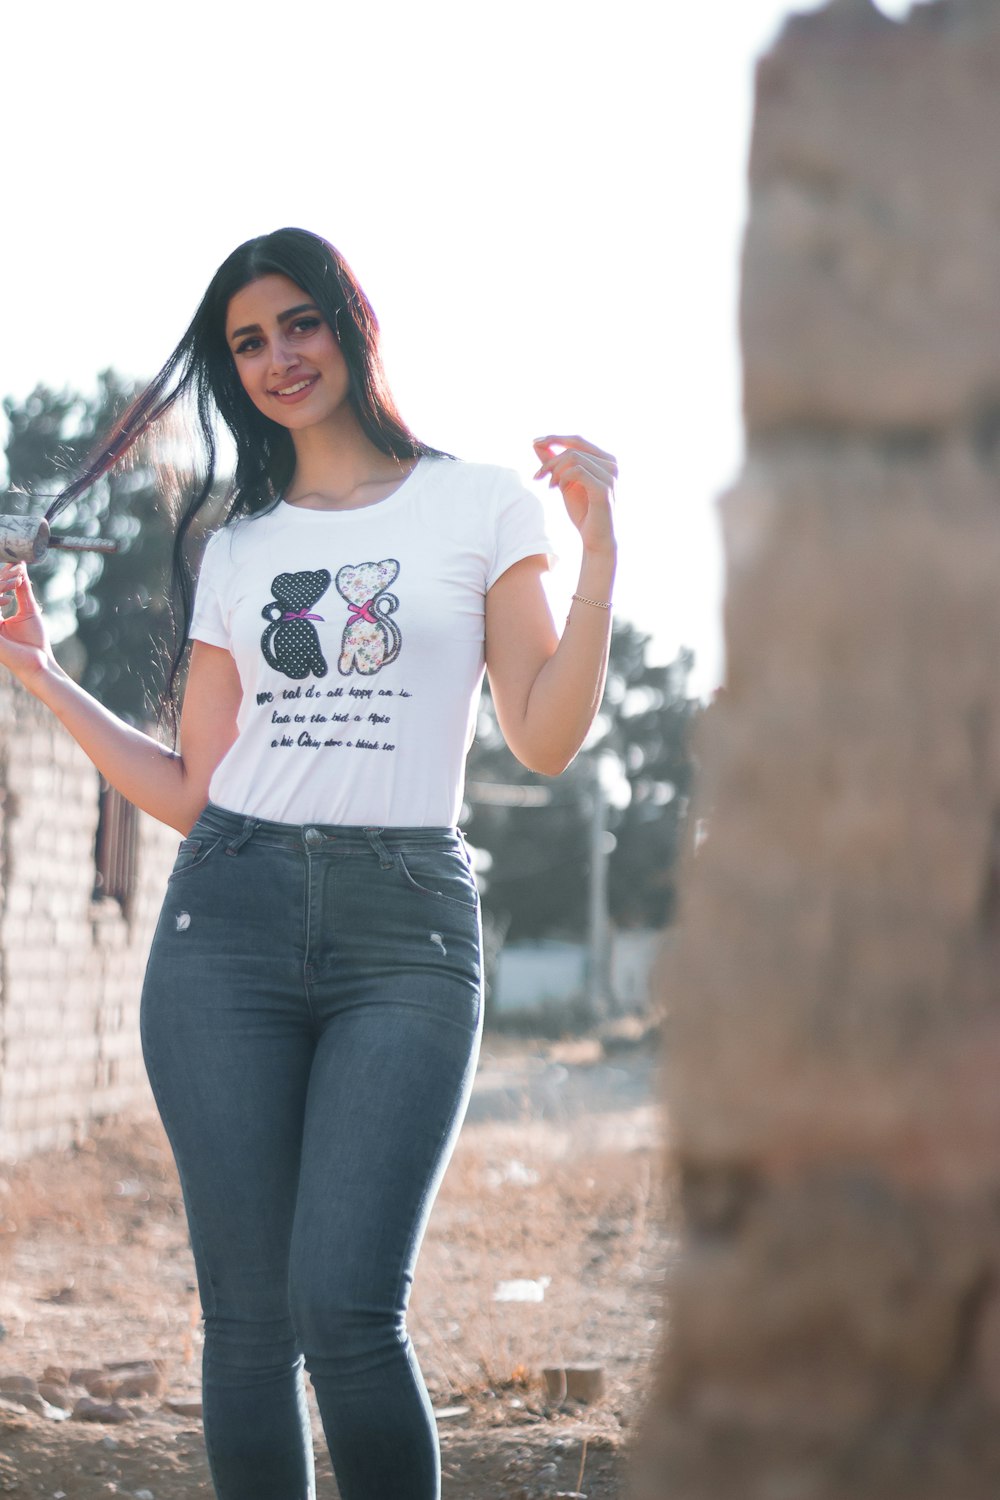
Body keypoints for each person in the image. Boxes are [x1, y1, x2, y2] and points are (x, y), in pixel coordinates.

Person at [0, 227, 617, 1500]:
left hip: (407, 930)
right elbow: (187, 790)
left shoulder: (480, 504)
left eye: (299, 322)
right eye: (248, 340)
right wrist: (41, 676)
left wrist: (600, 552)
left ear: (350, 322)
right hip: (226, 919)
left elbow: (545, 736)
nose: (279, 356)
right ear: (231, 370)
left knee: (345, 1311)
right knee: (244, 1327)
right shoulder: (236, 548)